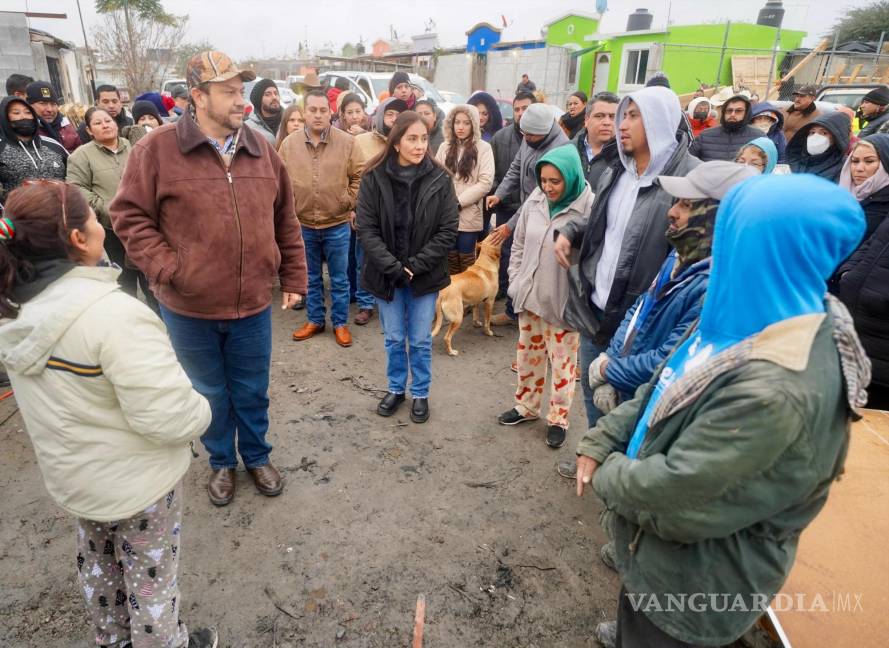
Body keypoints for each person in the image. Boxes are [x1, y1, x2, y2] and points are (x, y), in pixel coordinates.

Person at [576, 173, 868, 648]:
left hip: (698, 584)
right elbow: (663, 381)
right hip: (659, 558)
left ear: (766, 251)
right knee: (639, 608)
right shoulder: (748, 313)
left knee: (662, 630)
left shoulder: (776, 391)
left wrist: (607, 472)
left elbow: (678, 502)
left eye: (730, 237)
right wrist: (602, 437)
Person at [0, 181, 218, 648]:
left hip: (76, 480)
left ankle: (113, 640)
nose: (102, 224)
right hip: (137, 485)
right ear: (79, 238)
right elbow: (167, 416)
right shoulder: (114, 316)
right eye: (94, 219)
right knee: (151, 580)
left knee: (100, 565)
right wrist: (202, 409)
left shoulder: (14, 309)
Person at [110, 50, 308, 507]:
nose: (243, 101)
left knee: (252, 390)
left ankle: (257, 455)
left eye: (242, 91)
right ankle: (221, 462)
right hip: (188, 307)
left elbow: (285, 219)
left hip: (253, 305)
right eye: (230, 92)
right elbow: (128, 216)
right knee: (209, 392)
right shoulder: (156, 149)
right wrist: (167, 269)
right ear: (197, 96)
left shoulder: (262, 149)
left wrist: (294, 277)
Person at [553, 86, 700, 430]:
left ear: (660, 122)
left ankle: (618, 476)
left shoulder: (688, 181)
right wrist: (572, 231)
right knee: (594, 398)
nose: (621, 125)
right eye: (623, 116)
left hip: (644, 325)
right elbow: (602, 222)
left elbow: (691, 258)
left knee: (632, 412)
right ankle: (594, 464)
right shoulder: (616, 171)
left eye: (633, 116)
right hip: (597, 312)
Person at [584, 162, 757, 422]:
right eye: (676, 202)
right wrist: (611, 357)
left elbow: (671, 359)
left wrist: (609, 370)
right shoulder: (680, 254)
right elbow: (640, 309)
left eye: (687, 205)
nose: (672, 212)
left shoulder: (716, 289)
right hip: (631, 393)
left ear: (718, 215)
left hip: (656, 409)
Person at [356, 111, 459, 424]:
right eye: (412, 138)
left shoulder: (440, 178)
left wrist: (415, 265)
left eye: (424, 138)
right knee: (393, 337)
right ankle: (397, 388)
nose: (419, 145)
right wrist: (393, 267)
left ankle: (421, 393)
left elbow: (447, 229)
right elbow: (367, 228)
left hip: (423, 276)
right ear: (396, 141)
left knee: (420, 339)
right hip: (387, 276)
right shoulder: (374, 177)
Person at [498, 145, 592, 448]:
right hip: (530, 298)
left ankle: (557, 419)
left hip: (563, 305)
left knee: (563, 366)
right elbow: (520, 243)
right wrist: (515, 281)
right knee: (528, 357)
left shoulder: (588, 207)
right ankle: (526, 407)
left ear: (571, 177)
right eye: (544, 180)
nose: (548, 187)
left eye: (556, 181)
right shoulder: (535, 200)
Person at [284, 89, 365, 348]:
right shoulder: (289, 144)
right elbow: (280, 181)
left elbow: (361, 175)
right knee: (311, 278)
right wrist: (290, 208)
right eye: (312, 110)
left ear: (330, 112)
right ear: (304, 112)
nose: (318, 115)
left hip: (337, 224)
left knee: (340, 279)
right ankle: (315, 320)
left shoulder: (347, 142)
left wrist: (347, 201)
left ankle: (340, 323)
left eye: (322, 110)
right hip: (304, 224)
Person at [65, 107, 144, 301]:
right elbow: (76, 188)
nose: (105, 125)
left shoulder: (135, 147)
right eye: (98, 123)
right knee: (122, 285)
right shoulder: (81, 156)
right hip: (110, 231)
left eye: (108, 120)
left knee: (152, 284)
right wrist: (105, 208)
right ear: (90, 131)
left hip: (142, 225)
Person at [835, 134, 889, 409]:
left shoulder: (884, 205)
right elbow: (869, 250)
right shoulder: (844, 199)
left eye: (870, 162)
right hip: (848, 311)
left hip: (876, 332)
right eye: (855, 161)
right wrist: (848, 274)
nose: (859, 168)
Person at [435, 104, 494, 274]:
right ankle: (452, 296)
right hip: (445, 213)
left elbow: (485, 182)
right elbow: (437, 177)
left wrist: (459, 202)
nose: (460, 127)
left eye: (466, 123)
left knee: (467, 257)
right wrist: (446, 203)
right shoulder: (444, 147)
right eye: (457, 122)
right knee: (450, 257)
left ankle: (469, 298)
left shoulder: (484, 148)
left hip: (469, 212)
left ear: (474, 125)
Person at [489, 92, 536, 301]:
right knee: (506, 252)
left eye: (525, 108)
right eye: (517, 109)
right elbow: (506, 173)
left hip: (533, 209)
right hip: (506, 207)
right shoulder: (500, 138)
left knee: (528, 254)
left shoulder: (541, 139)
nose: (520, 113)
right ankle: (505, 291)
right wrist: (497, 194)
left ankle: (520, 297)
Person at [0, 96, 67, 202]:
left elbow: (75, 176)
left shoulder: (53, 145)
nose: (23, 117)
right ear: (5, 117)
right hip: (19, 216)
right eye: (16, 113)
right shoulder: (2, 149)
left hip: (60, 213)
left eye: (28, 112)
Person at [688, 93, 759, 162]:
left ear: (747, 113)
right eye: (729, 110)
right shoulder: (705, 136)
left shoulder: (758, 137)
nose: (732, 114)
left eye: (738, 111)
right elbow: (689, 162)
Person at [786, 111, 851, 182]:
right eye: (812, 132)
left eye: (824, 133)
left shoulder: (845, 167)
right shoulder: (796, 159)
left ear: (836, 138)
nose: (815, 136)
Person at [573, 92, 619, 191]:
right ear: (586, 120)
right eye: (599, 116)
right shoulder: (568, 151)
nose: (607, 122)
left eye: (612, 117)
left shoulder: (626, 160)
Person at [26, 81, 80, 153]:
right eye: (43, 103)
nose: (50, 109)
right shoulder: (26, 130)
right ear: (29, 105)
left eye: (53, 104)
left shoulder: (65, 124)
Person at [355, 97, 410, 163]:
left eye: (399, 115)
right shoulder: (361, 140)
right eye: (390, 114)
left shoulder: (407, 143)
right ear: (381, 116)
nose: (394, 119)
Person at [245, 78, 282, 146]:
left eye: (276, 93)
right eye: (268, 94)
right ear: (259, 100)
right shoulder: (248, 128)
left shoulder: (290, 121)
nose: (274, 97)